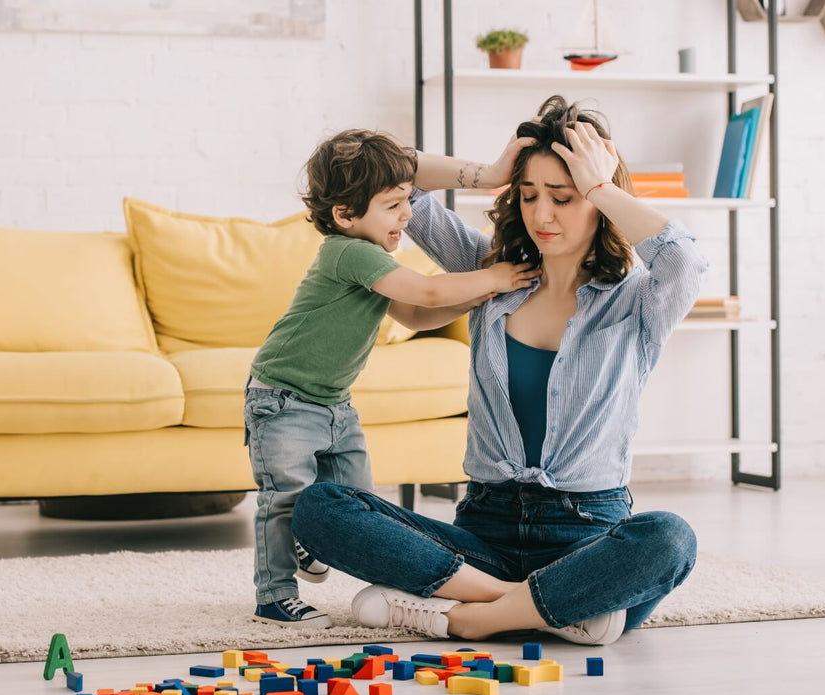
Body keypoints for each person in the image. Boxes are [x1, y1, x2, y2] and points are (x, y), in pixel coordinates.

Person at [291, 96, 707, 644]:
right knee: (321, 507)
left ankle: (466, 615)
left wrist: (603, 186)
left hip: (586, 533)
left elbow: (685, 259)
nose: (541, 215)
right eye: (528, 195)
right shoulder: (490, 272)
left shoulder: (637, 302)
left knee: (671, 539)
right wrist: (486, 173)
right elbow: (391, 171)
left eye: (563, 197)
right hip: (485, 531)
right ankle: (547, 607)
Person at [247, 128, 537, 629]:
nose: (407, 214)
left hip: (334, 404)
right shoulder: (349, 252)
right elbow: (425, 294)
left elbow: (416, 317)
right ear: (345, 216)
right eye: (392, 205)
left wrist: (476, 296)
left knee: (360, 498)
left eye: (407, 200)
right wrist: (495, 277)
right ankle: (274, 595)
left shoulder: (376, 257)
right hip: (284, 400)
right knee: (283, 499)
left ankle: (310, 534)